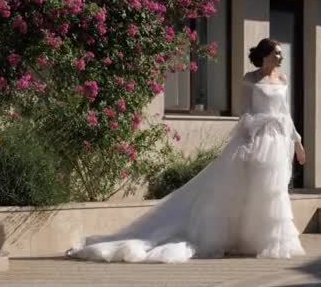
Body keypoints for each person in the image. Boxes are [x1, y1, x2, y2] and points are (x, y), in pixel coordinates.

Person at [66, 38, 306, 263]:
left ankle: (270, 241)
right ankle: (243, 237)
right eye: (276, 53)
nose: (280, 56)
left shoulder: (283, 79)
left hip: (276, 139)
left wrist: (297, 140)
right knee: (246, 188)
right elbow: (246, 110)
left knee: (273, 190)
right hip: (255, 138)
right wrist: (248, 136)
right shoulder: (250, 79)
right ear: (265, 55)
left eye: (281, 54)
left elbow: (285, 112)